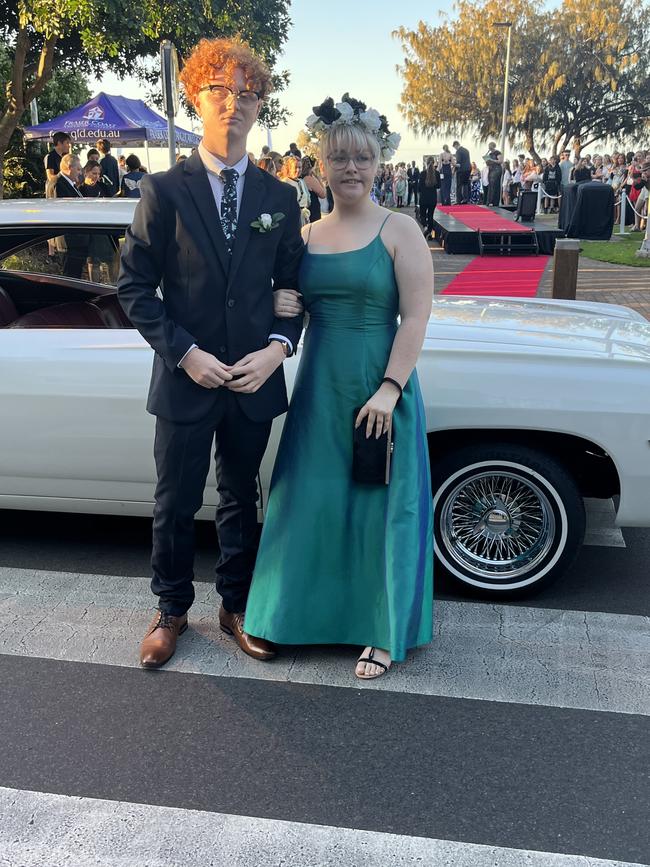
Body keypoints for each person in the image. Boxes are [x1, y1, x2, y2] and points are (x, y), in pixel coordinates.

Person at [117, 37, 304, 669]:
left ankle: (236, 604)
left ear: (259, 107)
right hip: (186, 377)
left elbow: (293, 287)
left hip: (252, 380)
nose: (234, 103)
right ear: (197, 97)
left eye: (247, 93)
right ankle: (170, 610)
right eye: (219, 90)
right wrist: (184, 352)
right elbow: (134, 287)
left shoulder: (279, 200)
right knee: (174, 501)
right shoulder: (163, 190)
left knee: (241, 498)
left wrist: (279, 348)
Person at [244, 97, 434, 680]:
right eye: (339, 158)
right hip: (320, 390)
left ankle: (378, 631)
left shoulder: (399, 229)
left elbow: (417, 318)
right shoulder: (303, 236)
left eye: (363, 158)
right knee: (309, 499)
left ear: (380, 162)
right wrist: (279, 302)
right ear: (321, 165)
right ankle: (291, 617)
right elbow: (290, 310)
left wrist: (390, 389)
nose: (351, 168)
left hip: (380, 389)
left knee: (378, 507)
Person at [54, 154, 88, 278]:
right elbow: (61, 213)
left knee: (75, 275)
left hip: (77, 240)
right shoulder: (59, 183)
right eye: (78, 169)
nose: (80, 173)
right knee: (71, 277)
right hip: (70, 240)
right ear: (69, 167)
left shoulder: (70, 184)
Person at [279, 154, 311, 225]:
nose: (298, 170)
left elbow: (307, 200)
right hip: (293, 218)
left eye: (300, 167)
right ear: (290, 168)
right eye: (295, 167)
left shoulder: (301, 181)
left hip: (304, 217)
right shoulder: (285, 182)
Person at [44, 132, 71, 197]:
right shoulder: (50, 156)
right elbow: (50, 176)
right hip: (54, 192)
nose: (69, 145)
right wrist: (63, 178)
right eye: (67, 143)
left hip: (64, 190)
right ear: (59, 143)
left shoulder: (65, 157)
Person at [300, 155, 327, 222]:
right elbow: (323, 194)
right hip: (313, 210)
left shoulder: (300, 178)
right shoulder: (309, 179)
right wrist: (317, 177)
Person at [418, 158, 439, 237]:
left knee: (422, 215)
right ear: (434, 163)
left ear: (426, 163)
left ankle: (425, 227)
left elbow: (419, 187)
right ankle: (429, 232)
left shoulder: (422, 173)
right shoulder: (437, 173)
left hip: (424, 198)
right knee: (430, 216)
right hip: (433, 198)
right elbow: (439, 186)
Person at [484, 141, 503, 206]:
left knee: (495, 184)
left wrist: (492, 160)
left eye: (490, 145)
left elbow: (500, 161)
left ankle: (495, 201)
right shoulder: (489, 154)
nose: (489, 147)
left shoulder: (497, 152)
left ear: (493, 146)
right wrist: (487, 161)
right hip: (491, 169)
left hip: (497, 169)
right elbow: (488, 164)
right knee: (491, 185)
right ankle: (489, 201)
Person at [452, 140, 471, 204]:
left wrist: (453, 165)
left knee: (459, 185)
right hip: (468, 169)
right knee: (465, 185)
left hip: (461, 170)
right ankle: (466, 199)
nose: (455, 148)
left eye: (454, 147)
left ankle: (458, 200)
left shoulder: (458, 151)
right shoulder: (466, 150)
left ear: (456, 145)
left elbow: (459, 163)